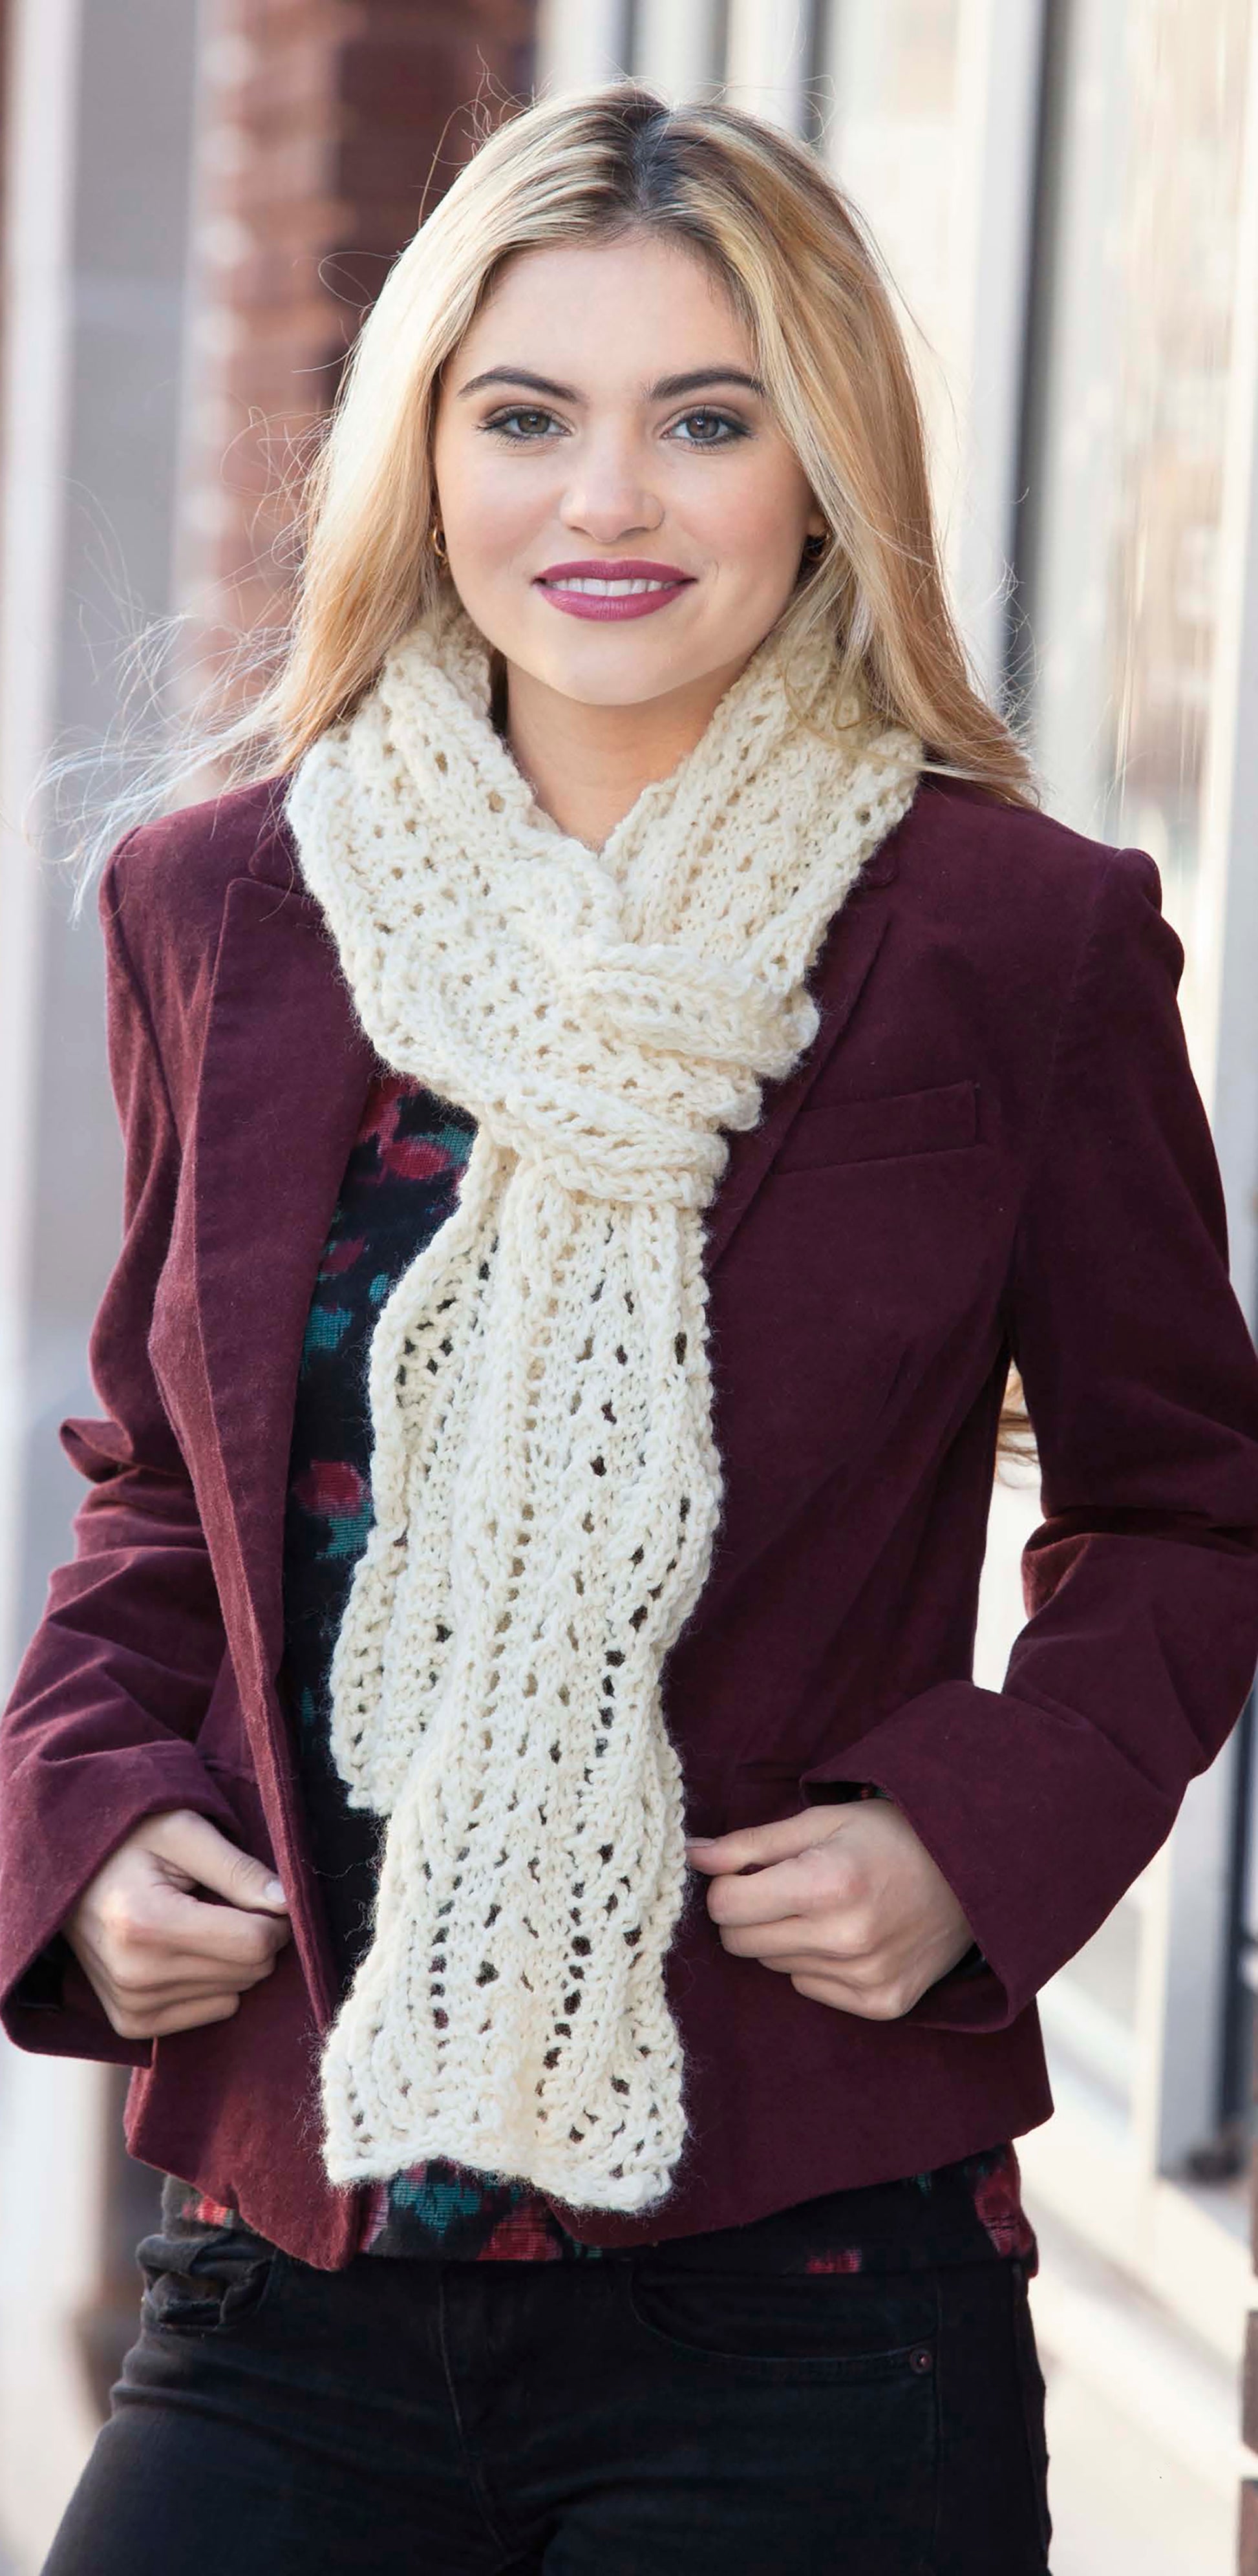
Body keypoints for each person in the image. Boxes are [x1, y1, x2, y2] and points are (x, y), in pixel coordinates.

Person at [4, 84, 1257, 2576]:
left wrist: (973, 1836)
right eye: (524, 416)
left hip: (803, 2283)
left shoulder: (1007, 935)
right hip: (295, 2249)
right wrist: (84, 1823)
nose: (608, 500)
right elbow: (162, 1479)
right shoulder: (222, 905)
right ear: (421, 458)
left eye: (706, 417)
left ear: (823, 466)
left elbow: (1184, 1501)